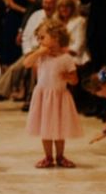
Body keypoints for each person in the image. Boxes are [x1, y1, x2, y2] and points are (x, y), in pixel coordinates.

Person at [23, 19, 82, 168]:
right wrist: (39, 52)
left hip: (60, 96)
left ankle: (60, 156)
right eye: (39, 38)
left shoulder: (66, 58)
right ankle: (48, 157)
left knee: (59, 128)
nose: (40, 40)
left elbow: (75, 80)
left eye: (43, 37)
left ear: (55, 38)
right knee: (46, 128)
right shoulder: (41, 56)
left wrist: (68, 77)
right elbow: (26, 63)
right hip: (43, 97)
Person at [0, 0, 32, 65]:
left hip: (25, 18)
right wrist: (24, 10)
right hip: (13, 16)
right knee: (9, 40)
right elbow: (10, 2)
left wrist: (27, 12)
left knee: (21, 41)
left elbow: (32, 1)